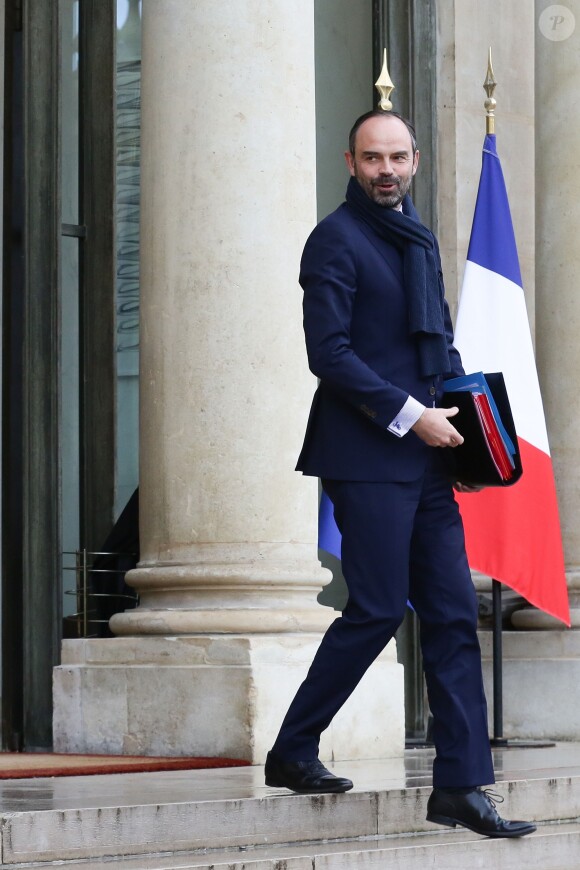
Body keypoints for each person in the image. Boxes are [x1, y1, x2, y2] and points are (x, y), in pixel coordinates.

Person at [265, 109, 536, 839]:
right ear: (350, 163)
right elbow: (331, 354)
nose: (387, 170)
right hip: (364, 457)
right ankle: (294, 747)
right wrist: (412, 414)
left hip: (427, 460)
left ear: (415, 160)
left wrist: (469, 441)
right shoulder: (334, 241)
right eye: (372, 158)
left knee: (452, 614)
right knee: (380, 608)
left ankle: (461, 786)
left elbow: (438, 342)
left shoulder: (417, 239)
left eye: (398, 157)